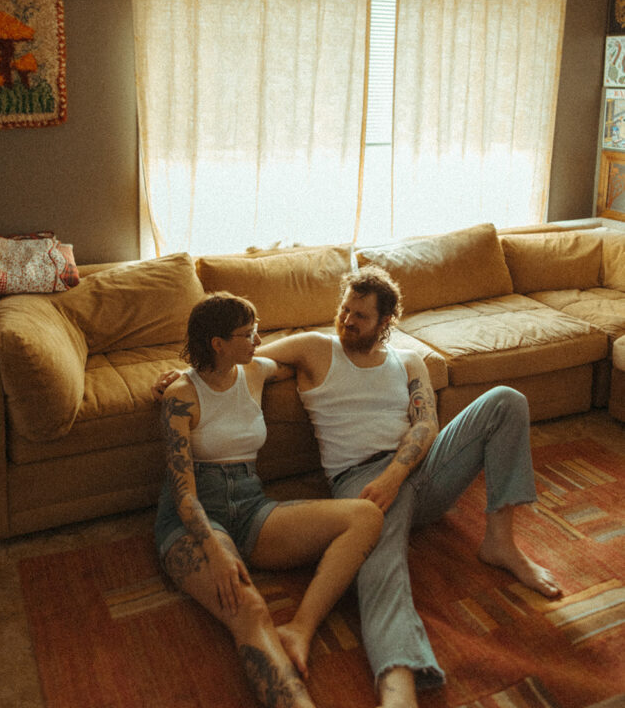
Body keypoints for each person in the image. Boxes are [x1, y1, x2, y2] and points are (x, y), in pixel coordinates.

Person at [154, 266, 562, 708]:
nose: (347, 320)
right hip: (359, 478)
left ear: (385, 322)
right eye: (344, 309)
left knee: (506, 400)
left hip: (415, 471)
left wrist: (395, 477)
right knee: (381, 556)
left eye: (360, 316)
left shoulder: (409, 360)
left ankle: (500, 542)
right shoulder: (315, 347)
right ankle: (399, 682)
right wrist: (180, 378)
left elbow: (426, 424)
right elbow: (236, 356)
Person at [154, 291, 383, 708]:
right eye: (248, 334)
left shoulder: (257, 371)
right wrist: (217, 554)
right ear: (218, 344)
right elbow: (183, 493)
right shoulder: (181, 397)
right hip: (194, 518)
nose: (258, 341)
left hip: (251, 507)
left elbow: (302, 356)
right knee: (249, 608)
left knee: (365, 516)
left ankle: (301, 628)